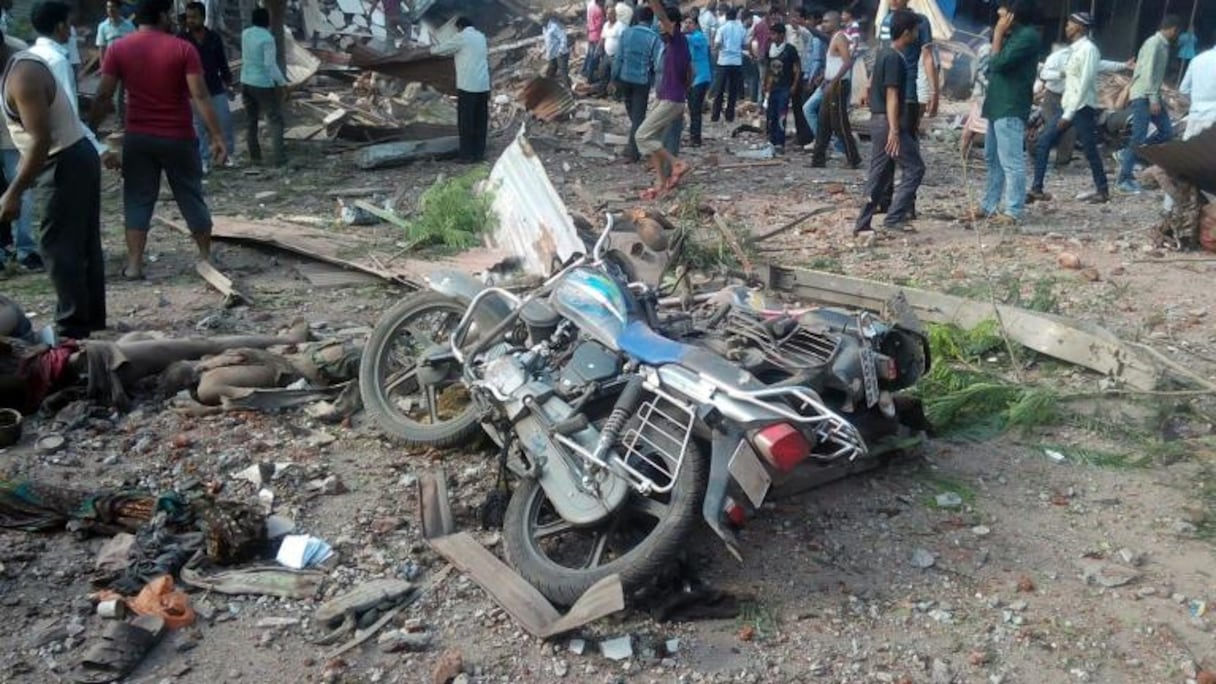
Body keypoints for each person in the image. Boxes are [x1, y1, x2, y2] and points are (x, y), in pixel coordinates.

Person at [91, 0, 227, 281]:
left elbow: (104, 95)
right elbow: (200, 96)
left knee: (138, 199)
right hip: (178, 135)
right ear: (163, 15)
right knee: (190, 194)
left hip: (139, 137)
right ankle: (205, 257)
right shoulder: (182, 48)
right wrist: (216, 136)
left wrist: (90, 130)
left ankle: (134, 265)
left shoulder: (118, 48)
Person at [0, 29, 106, 339]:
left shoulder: (23, 76)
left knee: (56, 246)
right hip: (69, 157)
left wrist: (14, 192)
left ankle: (71, 329)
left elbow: (40, 140)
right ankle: (86, 322)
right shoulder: (13, 67)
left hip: (64, 161)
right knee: (79, 245)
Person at [854, 10, 923, 240]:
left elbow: (873, 81)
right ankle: (893, 218)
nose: (917, 34)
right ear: (906, 33)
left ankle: (863, 223)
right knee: (915, 168)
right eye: (915, 30)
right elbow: (892, 95)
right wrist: (895, 130)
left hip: (879, 120)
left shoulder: (884, 52)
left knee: (880, 174)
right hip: (888, 123)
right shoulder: (895, 58)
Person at [1029, 12, 1109, 205]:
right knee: (1043, 142)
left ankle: (1103, 191)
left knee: (1089, 150)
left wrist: (1069, 113)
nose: (1066, 27)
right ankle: (1037, 189)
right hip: (1069, 105)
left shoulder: (1089, 50)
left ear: (1081, 28)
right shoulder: (1074, 50)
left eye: (1070, 25)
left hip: (1081, 108)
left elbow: (1083, 83)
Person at [976, 0, 1039, 225]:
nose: (998, 14)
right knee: (992, 158)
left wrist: (998, 35)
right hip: (997, 105)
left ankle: (1013, 210)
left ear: (1013, 15)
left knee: (1011, 161)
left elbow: (998, 63)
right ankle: (989, 204)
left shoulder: (1027, 37)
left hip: (1010, 106)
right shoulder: (1014, 37)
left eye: (1002, 11)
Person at [874, 0, 936, 219]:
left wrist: (933, 92)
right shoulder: (886, 21)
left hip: (908, 95)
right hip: (887, 93)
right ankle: (885, 201)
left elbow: (927, 57)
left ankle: (906, 205)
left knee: (906, 152)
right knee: (888, 152)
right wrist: (870, 84)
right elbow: (879, 52)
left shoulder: (920, 22)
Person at [1116, 14, 1181, 194]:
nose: (1176, 35)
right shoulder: (1155, 43)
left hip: (1151, 94)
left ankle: (1128, 153)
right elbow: (1149, 73)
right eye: (1177, 32)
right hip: (1144, 95)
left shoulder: (1161, 44)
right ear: (1173, 29)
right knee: (1138, 137)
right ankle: (1123, 180)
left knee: (1167, 131)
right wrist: (1153, 99)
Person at [634, 0, 690, 200]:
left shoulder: (677, 39)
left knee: (641, 136)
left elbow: (661, 15)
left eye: (662, 23)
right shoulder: (671, 45)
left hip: (671, 99)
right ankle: (660, 183)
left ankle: (677, 163)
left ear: (672, 24)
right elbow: (690, 72)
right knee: (652, 139)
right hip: (666, 97)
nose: (659, 26)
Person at [181, 1, 235, 174]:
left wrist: (228, 81)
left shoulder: (214, 38)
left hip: (215, 87)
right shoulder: (182, 40)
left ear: (203, 18)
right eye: (188, 17)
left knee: (224, 122)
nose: (191, 20)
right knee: (198, 128)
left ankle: (226, 156)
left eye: (194, 17)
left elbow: (222, 62)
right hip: (192, 92)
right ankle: (203, 160)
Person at [431, 17, 490, 164]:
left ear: (460, 27)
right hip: (483, 85)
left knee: (466, 122)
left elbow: (439, 51)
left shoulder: (461, 37)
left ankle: (466, 155)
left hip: (468, 86)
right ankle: (479, 153)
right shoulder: (481, 37)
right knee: (480, 120)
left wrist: (429, 49)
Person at [811, 11, 861, 168]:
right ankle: (818, 160)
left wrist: (834, 80)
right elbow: (835, 62)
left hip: (838, 86)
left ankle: (853, 159)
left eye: (826, 21)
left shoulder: (840, 37)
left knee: (839, 123)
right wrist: (824, 77)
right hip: (830, 84)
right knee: (823, 123)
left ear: (835, 22)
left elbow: (847, 63)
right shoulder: (834, 38)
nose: (823, 24)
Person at [612, 5, 661, 162]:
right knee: (638, 115)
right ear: (651, 19)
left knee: (632, 112)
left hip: (625, 78)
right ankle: (635, 148)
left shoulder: (626, 33)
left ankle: (634, 147)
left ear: (637, 17)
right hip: (642, 80)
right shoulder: (654, 37)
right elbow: (657, 62)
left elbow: (618, 58)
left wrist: (614, 78)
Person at [239, 7, 286, 167]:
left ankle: (255, 158)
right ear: (268, 20)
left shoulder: (245, 34)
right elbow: (270, 65)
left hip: (245, 81)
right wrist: (283, 83)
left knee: (251, 121)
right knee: (275, 120)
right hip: (262, 84)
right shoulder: (267, 38)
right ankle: (279, 159)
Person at [96, 0, 135, 127]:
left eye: (112, 7)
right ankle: (120, 121)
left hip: (128, 64)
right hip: (112, 66)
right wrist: (103, 66)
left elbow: (135, 44)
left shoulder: (128, 26)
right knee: (116, 96)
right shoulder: (103, 26)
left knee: (132, 93)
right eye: (108, 7)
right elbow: (102, 48)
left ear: (119, 9)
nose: (110, 10)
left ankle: (134, 119)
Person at [762, 22, 798, 151]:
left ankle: (780, 143)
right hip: (773, 87)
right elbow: (767, 68)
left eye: (774, 34)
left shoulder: (790, 50)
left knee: (781, 114)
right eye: (771, 34)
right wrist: (765, 83)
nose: (772, 36)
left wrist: (794, 85)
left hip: (785, 86)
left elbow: (797, 68)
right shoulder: (770, 50)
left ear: (782, 35)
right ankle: (771, 140)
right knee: (771, 114)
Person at [790, 7, 823, 147]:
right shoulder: (794, 31)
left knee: (807, 108)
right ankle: (803, 136)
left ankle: (810, 138)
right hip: (801, 73)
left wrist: (810, 79)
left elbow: (816, 60)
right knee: (799, 107)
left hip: (809, 75)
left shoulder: (814, 36)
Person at [710, 5, 745, 123]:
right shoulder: (741, 29)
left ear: (726, 17)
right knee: (733, 91)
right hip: (736, 62)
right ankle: (730, 116)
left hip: (724, 61)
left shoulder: (722, 28)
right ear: (735, 17)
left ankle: (715, 115)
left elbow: (718, 44)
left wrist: (715, 49)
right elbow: (744, 44)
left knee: (719, 90)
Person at [685, 15, 711, 146]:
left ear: (696, 25)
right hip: (693, 78)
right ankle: (693, 136)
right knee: (692, 108)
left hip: (701, 77)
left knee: (695, 109)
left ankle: (696, 138)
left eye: (690, 23)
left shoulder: (699, 37)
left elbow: (685, 38)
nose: (687, 25)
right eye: (686, 23)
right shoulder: (691, 39)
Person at [542, 13, 570, 85]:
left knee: (563, 73)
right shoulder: (544, 29)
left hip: (561, 54)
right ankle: (549, 89)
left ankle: (569, 91)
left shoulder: (554, 27)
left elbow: (563, 39)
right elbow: (547, 42)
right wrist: (543, 51)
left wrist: (560, 51)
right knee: (550, 73)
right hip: (552, 55)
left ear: (547, 20)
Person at [582, 0, 605, 82]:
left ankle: (586, 73)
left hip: (591, 35)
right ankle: (590, 77)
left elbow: (588, 21)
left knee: (590, 56)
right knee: (595, 58)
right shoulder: (599, 10)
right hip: (597, 36)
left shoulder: (591, 7)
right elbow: (599, 25)